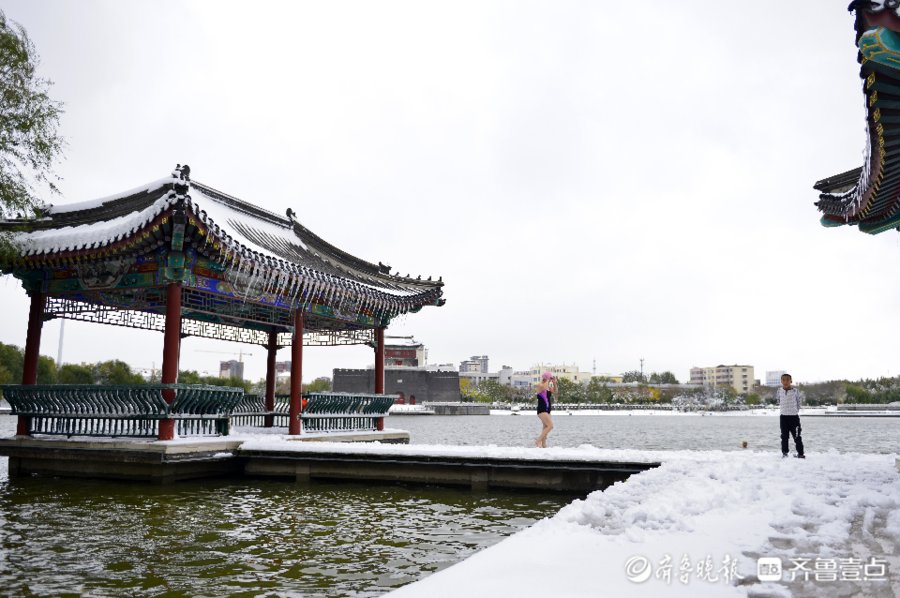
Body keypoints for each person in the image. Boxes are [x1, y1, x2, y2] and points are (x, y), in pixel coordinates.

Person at [775, 373, 805, 458]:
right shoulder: (779, 391)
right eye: (783, 380)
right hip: (783, 417)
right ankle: (785, 453)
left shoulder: (795, 391)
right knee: (784, 436)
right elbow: (778, 401)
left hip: (794, 417)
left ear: (791, 381)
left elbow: (799, 402)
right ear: (781, 381)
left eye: (787, 380)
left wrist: (795, 411)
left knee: (797, 436)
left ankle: (801, 454)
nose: (785, 382)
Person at [534, 371, 557, 448]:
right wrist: (548, 379)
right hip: (542, 409)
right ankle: (538, 441)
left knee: (545, 427)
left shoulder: (548, 387)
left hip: (548, 410)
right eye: (550, 378)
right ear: (546, 378)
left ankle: (544, 444)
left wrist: (554, 383)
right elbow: (543, 387)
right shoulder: (540, 385)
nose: (550, 379)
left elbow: (554, 391)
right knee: (550, 426)